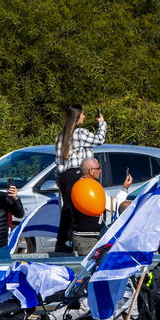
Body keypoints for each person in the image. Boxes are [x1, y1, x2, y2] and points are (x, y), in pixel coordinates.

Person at [54, 105, 107, 254]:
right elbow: (99, 139)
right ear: (77, 117)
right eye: (83, 115)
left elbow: (58, 161)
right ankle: (75, 242)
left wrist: (59, 178)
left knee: (68, 209)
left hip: (65, 176)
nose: (84, 117)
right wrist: (101, 123)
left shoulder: (61, 136)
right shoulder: (80, 133)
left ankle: (62, 242)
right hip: (78, 174)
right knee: (80, 211)